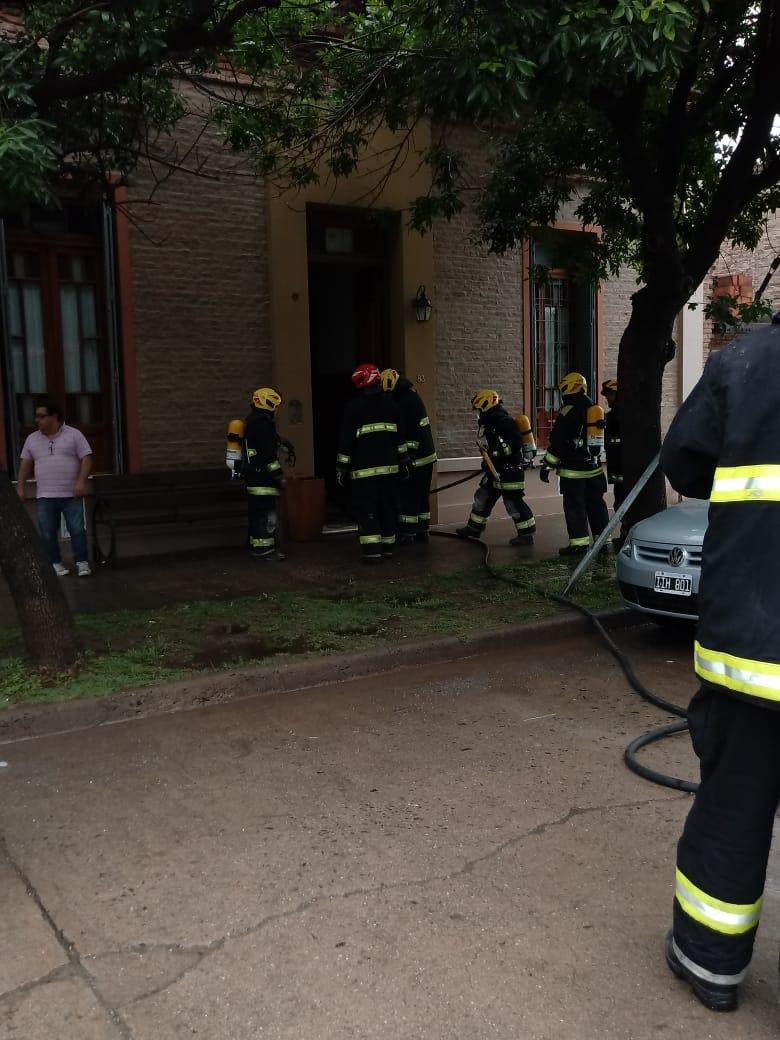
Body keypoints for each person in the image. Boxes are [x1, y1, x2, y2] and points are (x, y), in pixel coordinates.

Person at [661, 323, 780, 1014]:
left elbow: (686, 461)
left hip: (751, 653)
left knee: (733, 807)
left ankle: (709, 961)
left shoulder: (746, 361)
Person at [337, 363, 409, 563]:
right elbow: (400, 438)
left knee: (367, 510)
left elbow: (346, 441)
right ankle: (387, 550)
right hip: (390, 470)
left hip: (364, 473)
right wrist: (404, 462)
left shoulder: (353, 408)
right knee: (388, 508)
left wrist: (342, 467)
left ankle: (372, 553)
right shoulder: (391, 405)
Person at [16, 401, 93, 577]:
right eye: (36, 416)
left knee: (77, 529)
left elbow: (87, 459)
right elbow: (25, 465)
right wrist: (20, 487)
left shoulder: (74, 435)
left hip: (71, 494)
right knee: (48, 532)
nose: (37, 420)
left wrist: (81, 482)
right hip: (45, 495)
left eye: (41, 416)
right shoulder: (32, 439)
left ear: (55, 417)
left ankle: (82, 563)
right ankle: (55, 563)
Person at [455, 389, 536, 546]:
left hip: (510, 471)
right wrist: (489, 458)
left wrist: (493, 453)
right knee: (483, 496)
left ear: (486, 405)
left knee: (513, 503)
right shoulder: (491, 423)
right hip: (496, 470)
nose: (477, 414)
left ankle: (526, 534)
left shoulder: (504, 422)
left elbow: (511, 446)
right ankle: (474, 528)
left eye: (478, 410)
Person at [541, 372, 608, 556]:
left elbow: (558, 442)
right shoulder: (594, 409)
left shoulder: (567, 411)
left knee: (575, 507)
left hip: (573, 473)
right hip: (595, 469)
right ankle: (603, 542)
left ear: (569, 388)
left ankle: (579, 545)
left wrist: (547, 465)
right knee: (597, 505)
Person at [380, 368, 437, 544]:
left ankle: (407, 533)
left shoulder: (404, 401)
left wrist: (405, 457)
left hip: (416, 458)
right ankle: (422, 530)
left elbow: (409, 433)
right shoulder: (412, 396)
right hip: (427, 456)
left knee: (409, 496)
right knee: (421, 496)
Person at [244, 387, 286, 561]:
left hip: (253, 477)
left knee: (256, 514)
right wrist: (279, 476)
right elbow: (268, 456)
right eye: (275, 404)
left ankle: (257, 547)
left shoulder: (253, 422)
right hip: (263, 480)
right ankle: (265, 551)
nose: (276, 409)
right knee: (266, 515)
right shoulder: (263, 424)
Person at [601, 378, 624, 509]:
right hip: (616, 465)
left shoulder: (622, 414)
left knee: (622, 500)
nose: (607, 398)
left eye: (609, 395)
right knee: (619, 497)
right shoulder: (612, 415)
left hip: (623, 465)